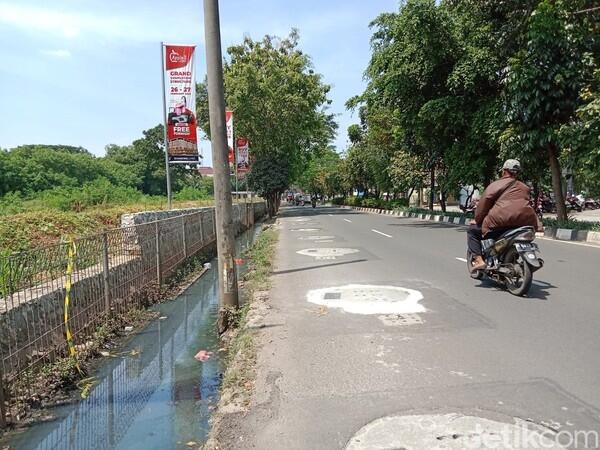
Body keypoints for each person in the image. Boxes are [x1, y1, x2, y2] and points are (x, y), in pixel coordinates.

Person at [467, 159, 542, 271]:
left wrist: (478, 220)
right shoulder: (524, 187)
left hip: (499, 225)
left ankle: (479, 260)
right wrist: (538, 225)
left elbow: (483, 206)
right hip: (522, 224)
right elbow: (527, 205)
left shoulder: (495, 185)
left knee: (472, 231)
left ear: (504, 171)